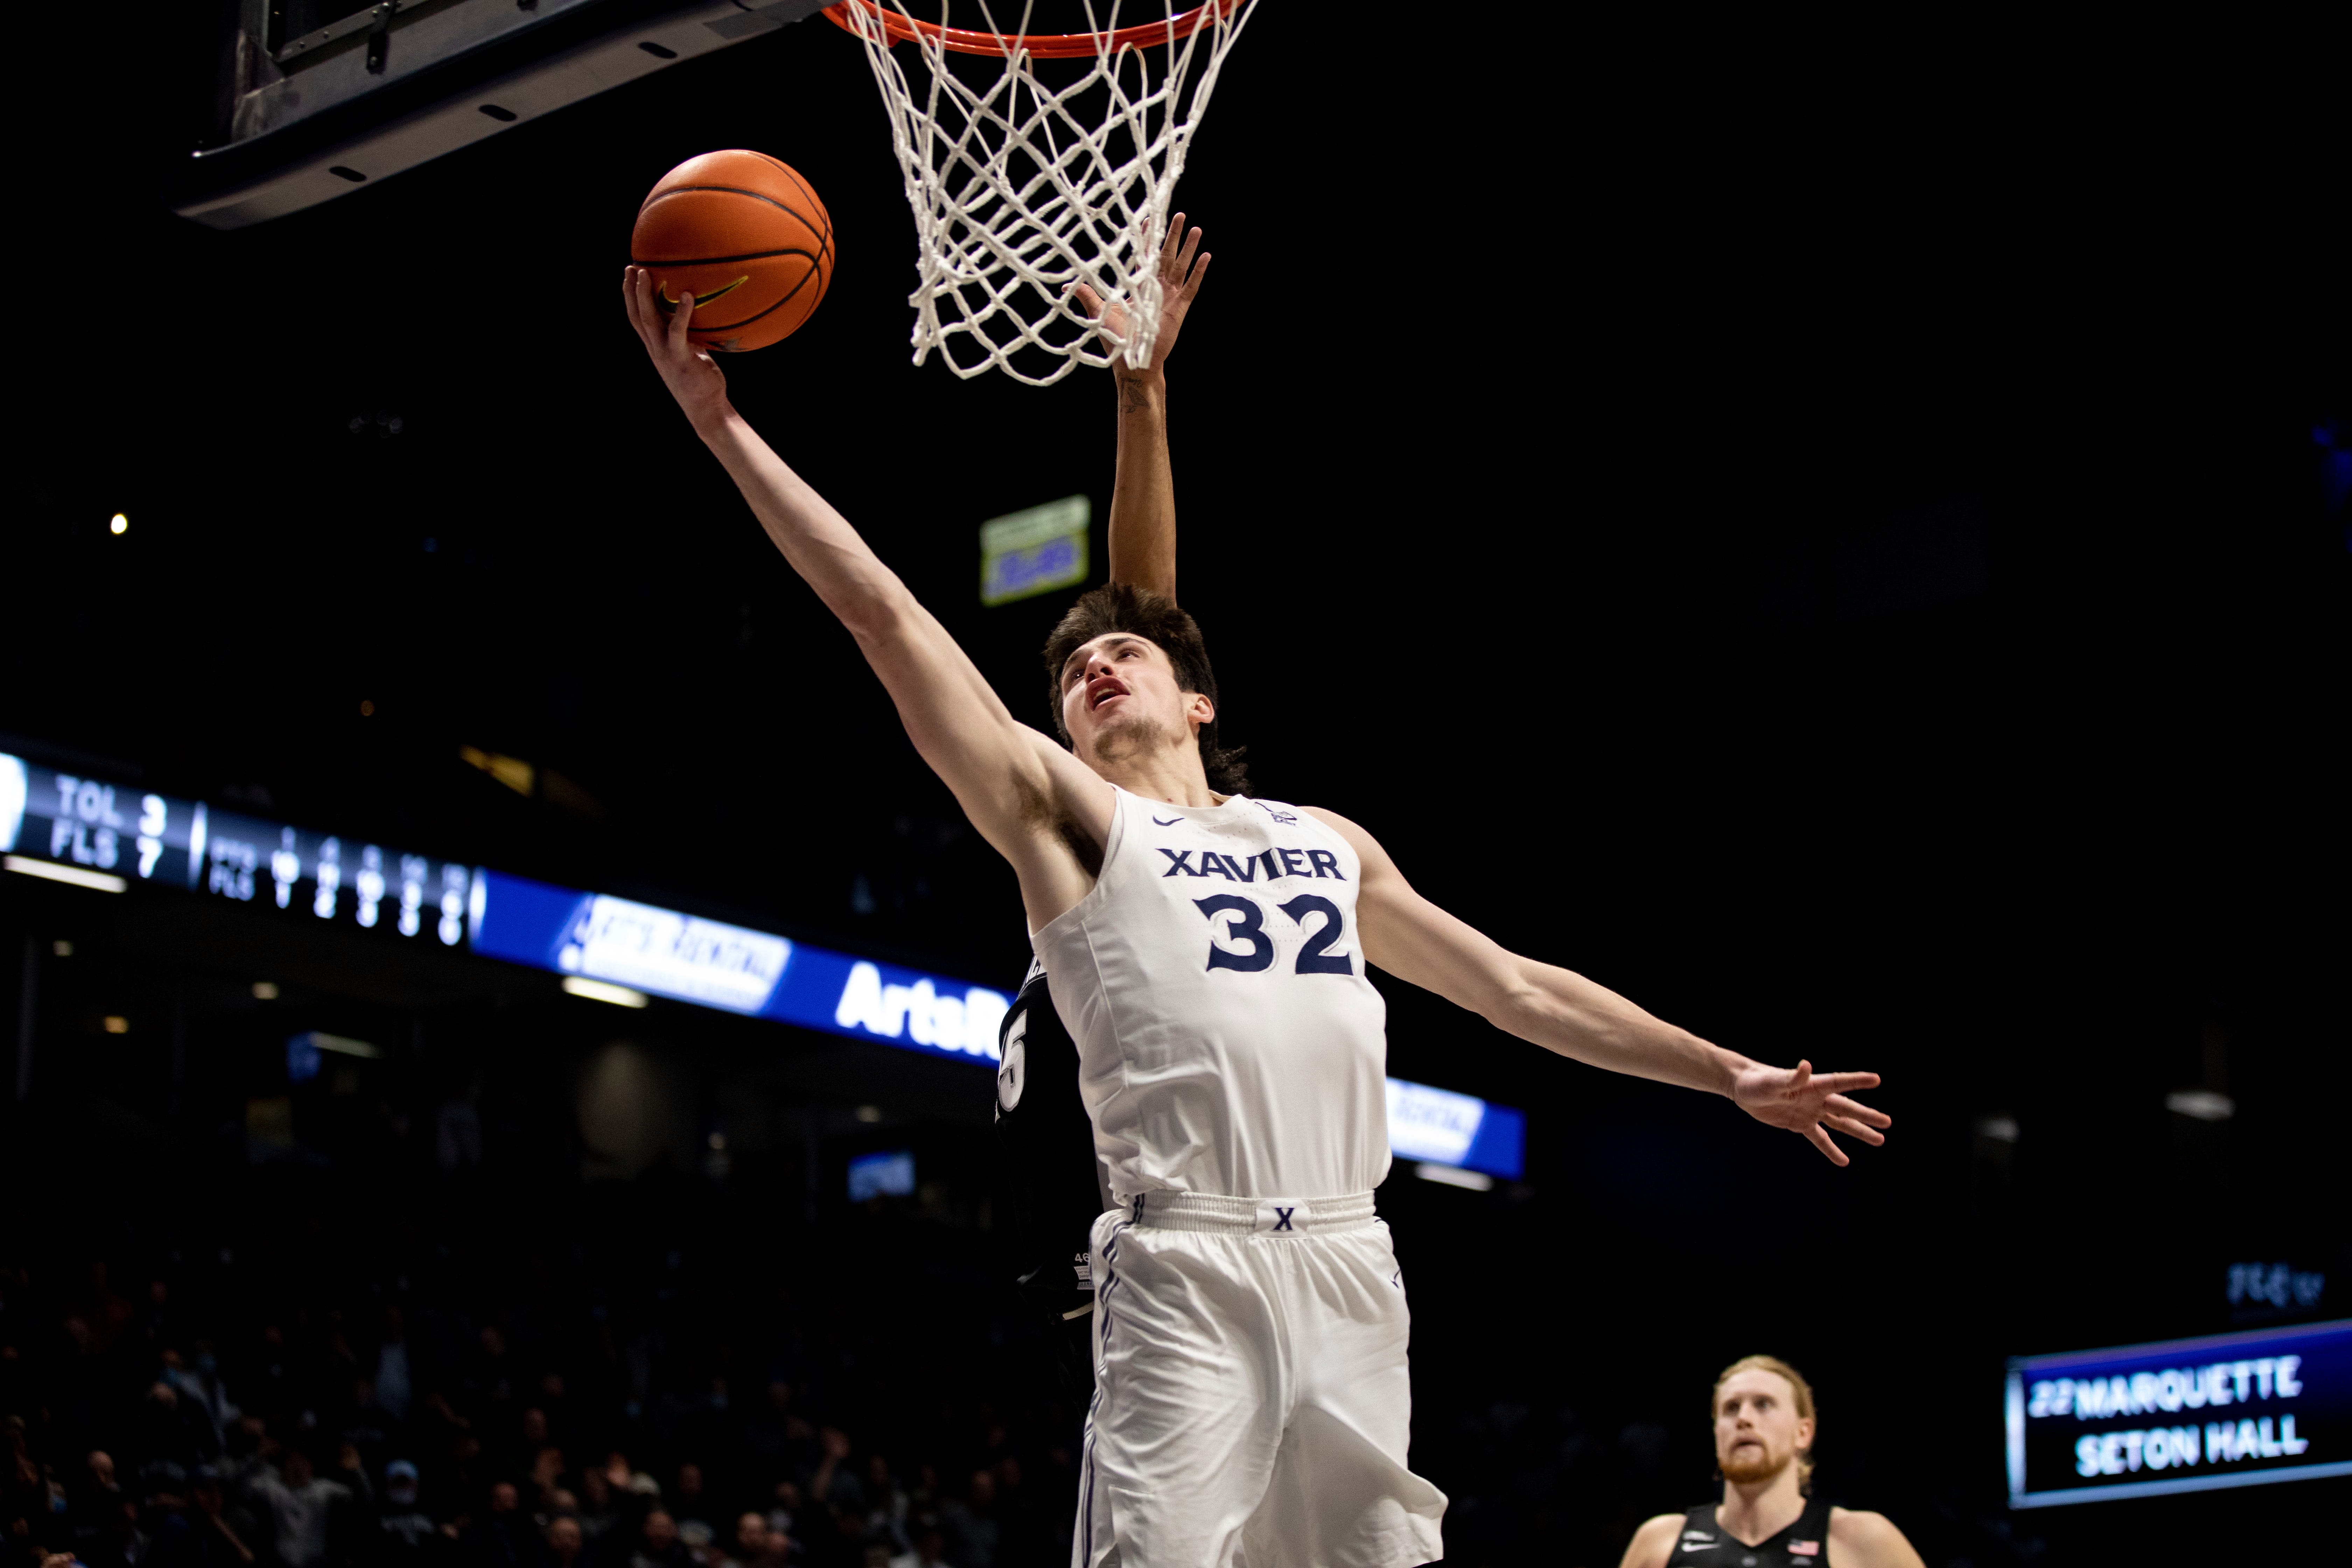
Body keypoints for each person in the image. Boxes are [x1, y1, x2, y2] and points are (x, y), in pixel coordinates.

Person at [622, 219, 1895, 1568]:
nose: (1095, 665)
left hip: (1348, 1264)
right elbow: (882, 613)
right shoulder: (1068, 824)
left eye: (1123, 652)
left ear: (1197, 697)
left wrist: (1726, 1074)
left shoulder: (1321, 840)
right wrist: (721, 427)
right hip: (1181, 1265)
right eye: (1069, 671)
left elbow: (1514, 986)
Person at [1617, 1357, 1925, 1568]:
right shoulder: (1660, 1542)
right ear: (1716, 1432)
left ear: (1803, 1433)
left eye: (1764, 1405)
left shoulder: (1862, 1540)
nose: (1744, 1419)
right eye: (1731, 1408)